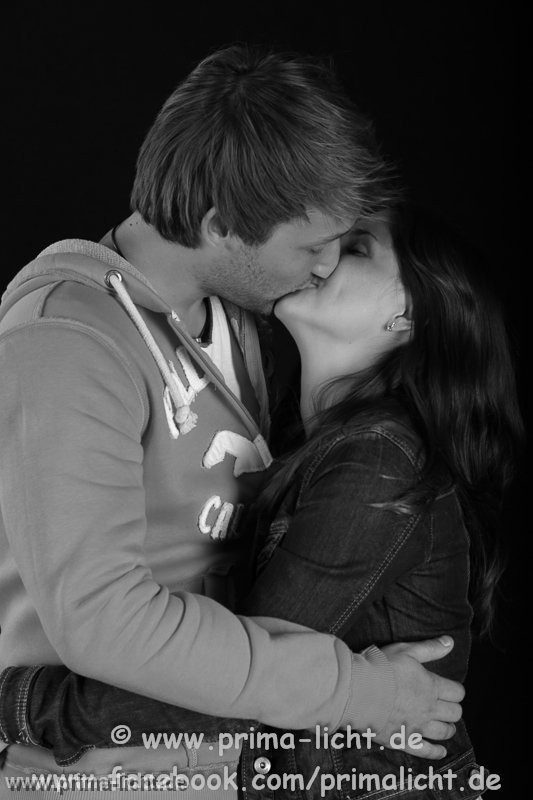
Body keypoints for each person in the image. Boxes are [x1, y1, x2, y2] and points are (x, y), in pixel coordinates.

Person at [0, 46, 462, 796]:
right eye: (312, 246)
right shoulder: (67, 340)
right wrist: (351, 692)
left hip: (214, 765)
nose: (325, 267)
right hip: (90, 777)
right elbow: (104, 621)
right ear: (221, 226)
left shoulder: (235, 319)